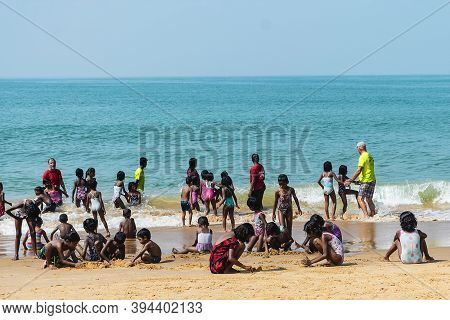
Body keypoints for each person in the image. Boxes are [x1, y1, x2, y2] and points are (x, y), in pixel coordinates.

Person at [345, 141, 376, 217]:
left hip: (366, 181)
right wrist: (359, 181)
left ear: (360, 148)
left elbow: (359, 170)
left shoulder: (362, 156)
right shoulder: (369, 155)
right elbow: (368, 170)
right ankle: (373, 214)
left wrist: (351, 180)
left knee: (360, 199)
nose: (357, 150)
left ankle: (366, 216)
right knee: (369, 199)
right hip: (372, 180)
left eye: (357, 148)